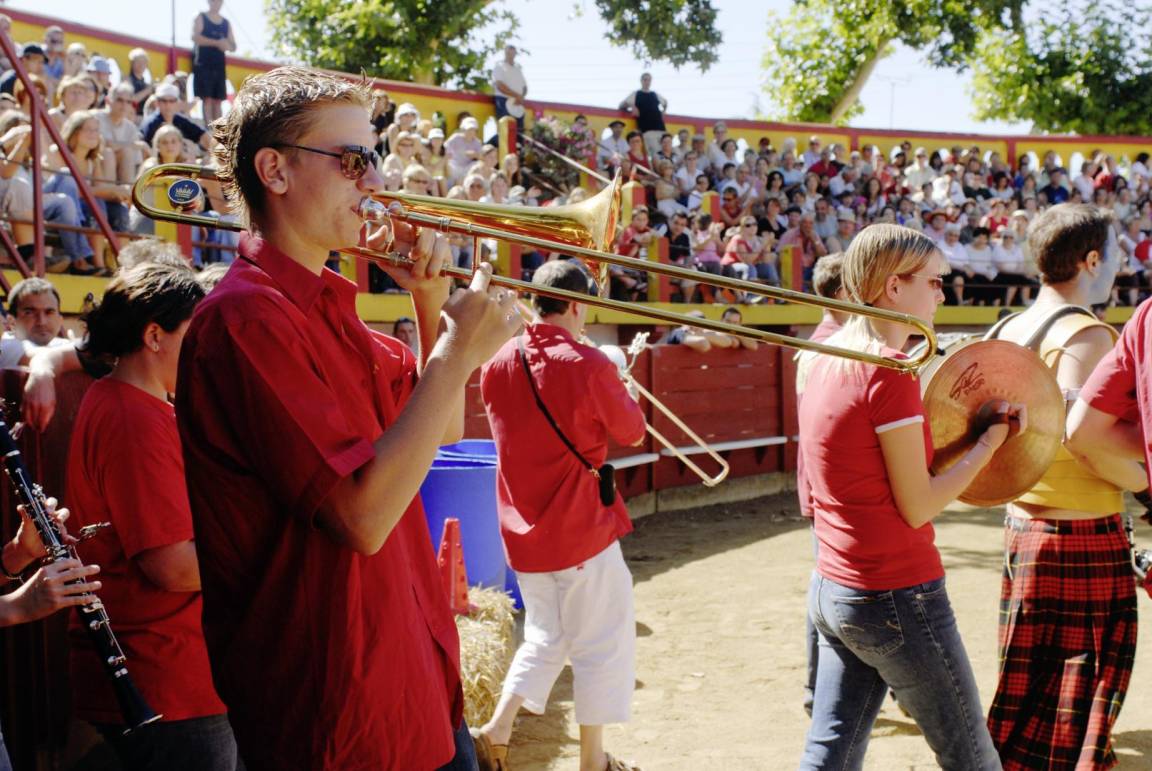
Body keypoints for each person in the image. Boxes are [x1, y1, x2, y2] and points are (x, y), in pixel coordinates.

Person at [174, 65, 520, 770]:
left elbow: (438, 436)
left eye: (376, 158)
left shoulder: (329, 308)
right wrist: (456, 352)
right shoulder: (245, 318)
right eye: (354, 160)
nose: (377, 182)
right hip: (340, 714)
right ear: (274, 170)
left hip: (410, 680)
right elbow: (362, 517)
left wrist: (430, 302)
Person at [797, 224, 1023, 770]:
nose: (943, 293)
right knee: (972, 757)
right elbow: (918, 504)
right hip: (895, 592)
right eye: (936, 281)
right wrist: (989, 444)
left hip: (834, 585)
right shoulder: (889, 372)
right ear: (894, 287)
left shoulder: (824, 356)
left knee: (831, 752)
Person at [475, 260, 646, 771]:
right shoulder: (589, 363)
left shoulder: (496, 362)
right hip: (581, 530)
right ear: (574, 304)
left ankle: (497, 729)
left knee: (546, 637)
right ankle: (592, 760)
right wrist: (623, 386)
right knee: (602, 641)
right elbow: (632, 431)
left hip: (524, 534)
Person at [65, 263, 238, 769]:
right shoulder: (134, 418)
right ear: (155, 335)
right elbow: (172, 566)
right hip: (168, 676)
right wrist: (265, 554)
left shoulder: (127, 401)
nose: (205, 350)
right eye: (194, 334)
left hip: (165, 671)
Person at [986, 204, 1137, 770]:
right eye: (1116, 253)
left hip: (1024, 525)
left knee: (1028, 687)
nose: (1121, 264)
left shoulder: (1009, 326)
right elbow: (1084, 441)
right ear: (1091, 260)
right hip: (1079, 533)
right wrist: (1146, 483)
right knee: (1080, 689)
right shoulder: (1086, 335)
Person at [191, 0, 236, 126]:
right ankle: (209, 128)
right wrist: (217, 43)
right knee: (207, 99)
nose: (216, 3)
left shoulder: (226, 23)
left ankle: (218, 130)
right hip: (203, 64)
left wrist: (226, 45)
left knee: (218, 100)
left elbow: (233, 46)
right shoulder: (201, 17)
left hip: (219, 67)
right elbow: (195, 37)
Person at [618, 72, 667, 160]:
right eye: (645, 80)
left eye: (649, 80)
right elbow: (621, 105)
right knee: (657, 156)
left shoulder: (654, 94)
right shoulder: (636, 94)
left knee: (665, 154)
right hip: (647, 130)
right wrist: (632, 106)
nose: (647, 82)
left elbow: (665, 102)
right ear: (641, 81)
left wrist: (663, 111)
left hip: (661, 129)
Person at [490, 44, 526, 130]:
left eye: (513, 53)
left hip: (517, 104)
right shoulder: (499, 67)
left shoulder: (517, 69)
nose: (511, 55)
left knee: (519, 132)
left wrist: (520, 97)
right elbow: (500, 85)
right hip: (503, 101)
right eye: (509, 53)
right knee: (506, 131)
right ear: (505, 53)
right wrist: (517, 96)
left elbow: (524, 87)